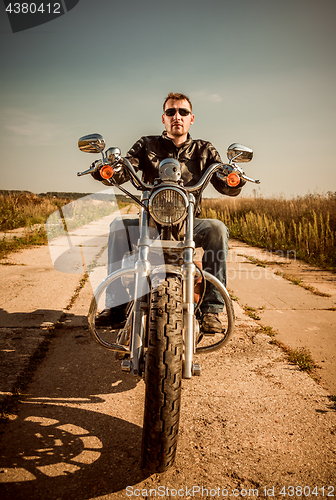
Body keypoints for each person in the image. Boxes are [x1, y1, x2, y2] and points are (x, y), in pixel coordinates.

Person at [95, 92, 245, 333]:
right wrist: (110, 169)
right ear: (163, 118)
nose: (177, 116)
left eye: (183, 112)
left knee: (217, 228)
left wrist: (232, 179)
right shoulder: (146, 145)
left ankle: (212, 309)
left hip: (189, 223)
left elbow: (222, 180)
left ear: (191, 118)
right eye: (171, 112)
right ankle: (116, 305)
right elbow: (127, 166)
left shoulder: (204, 149)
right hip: (151, 221)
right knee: (118, 226)